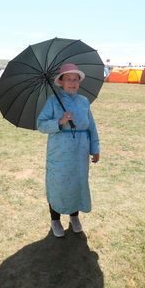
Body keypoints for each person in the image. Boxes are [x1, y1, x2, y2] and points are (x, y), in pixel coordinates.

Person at [37, 64, 100, 237]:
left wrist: (95, 148)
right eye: (68, 79)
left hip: (80, 151)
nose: (72, 82)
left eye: (75, 79)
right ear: (61, 82)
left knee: (77, 182)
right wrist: (60, 121)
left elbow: (91, 127)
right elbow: (41, 125)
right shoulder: (52, 101)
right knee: (59, 183)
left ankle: (74, 216)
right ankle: (55, 219)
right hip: (59, 151)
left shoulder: (84, 101)